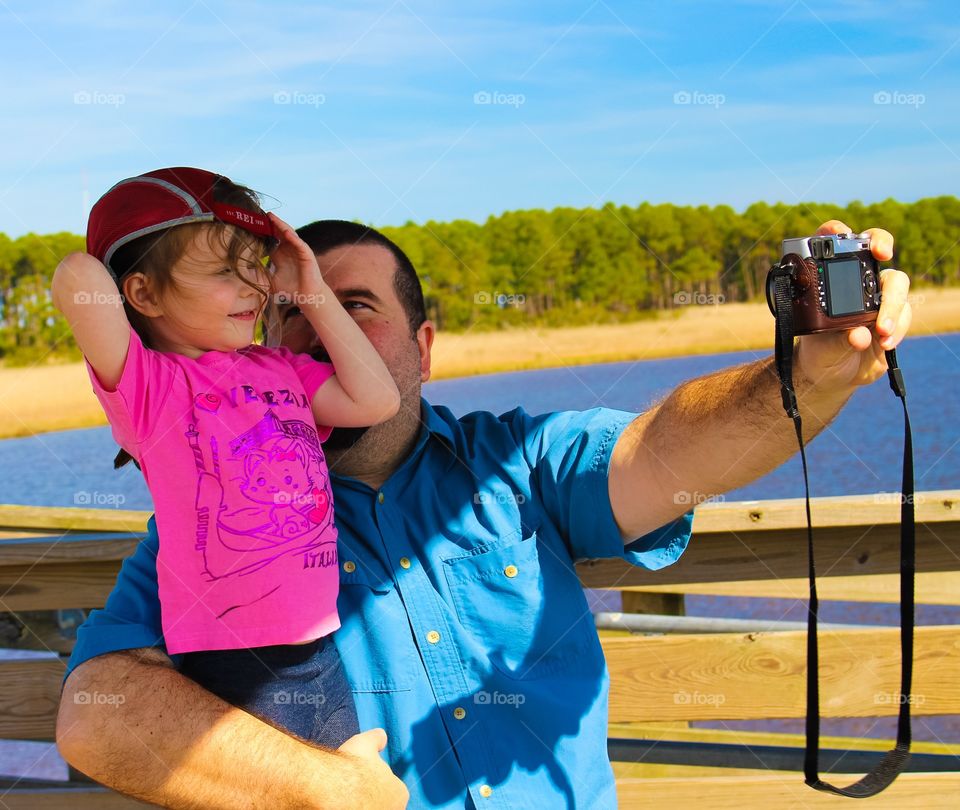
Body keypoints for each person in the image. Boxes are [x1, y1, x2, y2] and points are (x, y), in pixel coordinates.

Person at [56, 216, 912, 810]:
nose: (312, 336)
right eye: (285, 317)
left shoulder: (520, 464)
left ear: (421, 349)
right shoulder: (207, 529)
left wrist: (803, 377)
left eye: (350, 308)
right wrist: (316, 788)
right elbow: (98, 711)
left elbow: (666, 453)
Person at [51, 169, 400, 749]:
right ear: (141, 293)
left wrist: (308, 289)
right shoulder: (150, 387)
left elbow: (376, 398)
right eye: (223, 271)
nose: (252, 287)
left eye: (256, 267)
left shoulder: (281, 367)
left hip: (322, 644)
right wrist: (199, 212)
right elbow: (76, 274)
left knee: (346, 784)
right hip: (233, 659)